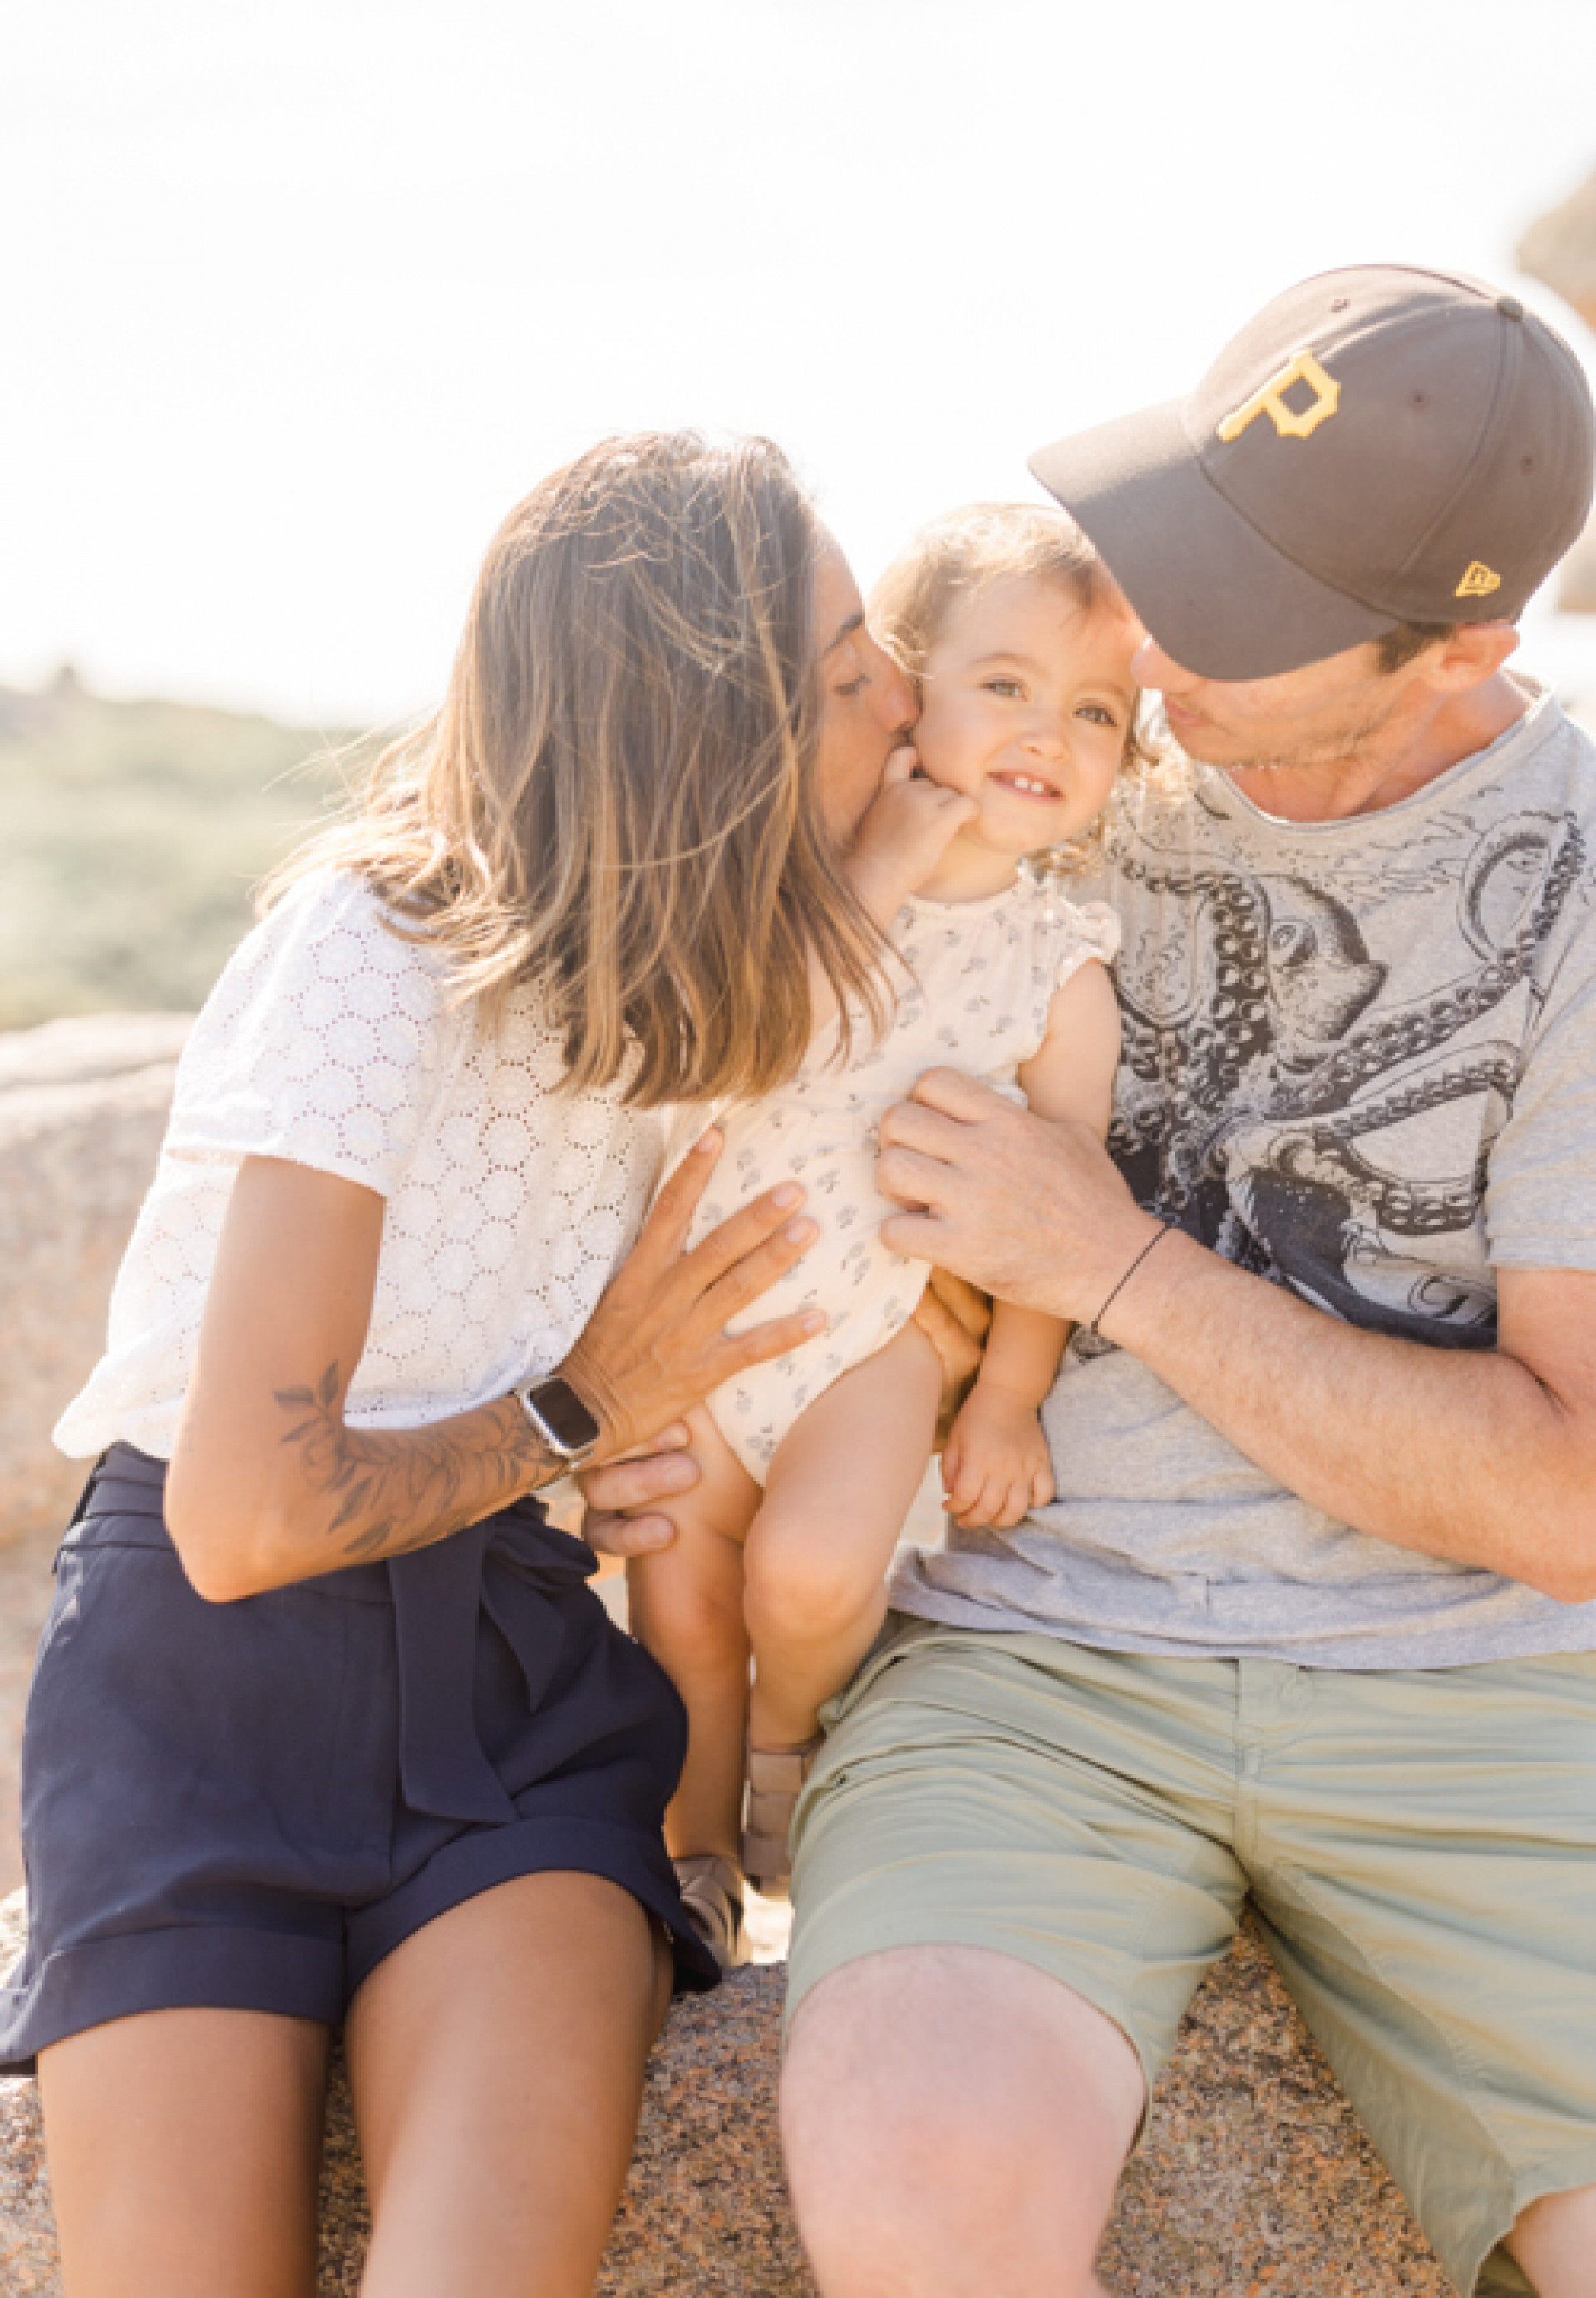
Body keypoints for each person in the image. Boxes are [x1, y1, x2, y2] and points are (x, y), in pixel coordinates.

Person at [590, 268, 1596, 2298]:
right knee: (921, 2178)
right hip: (1024, 1662)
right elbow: (686, 1007)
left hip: (1484, 1696)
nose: (1142, 640)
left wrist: (1109, 1263)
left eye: (1246, 608)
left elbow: (1571, 1498)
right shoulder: (1034, 757)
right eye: (1180, 544)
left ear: (1461, 649)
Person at [0, 430, 933, 2298]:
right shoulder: (373, 946)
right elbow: (247, 1518)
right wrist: (574, 1412)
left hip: (518, 1698)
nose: (901, 697)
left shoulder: (692, 992)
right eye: (846, 673)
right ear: (713, 743)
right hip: (201, 1693)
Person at [628, 506, 1136, 1961]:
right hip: (704, 1319)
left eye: (1095, 712)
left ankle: (788, 1750)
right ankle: (694, 1862)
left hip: (877, 1337)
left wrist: (1013, 1392)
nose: (1046, 731)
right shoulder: (795, 871)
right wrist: (882, 870)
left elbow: (1068, 1208)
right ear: (905, 685)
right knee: (682, 1608)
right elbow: (728, 1046)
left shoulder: (1057, 965)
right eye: (1006, 684)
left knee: (805, 1577)